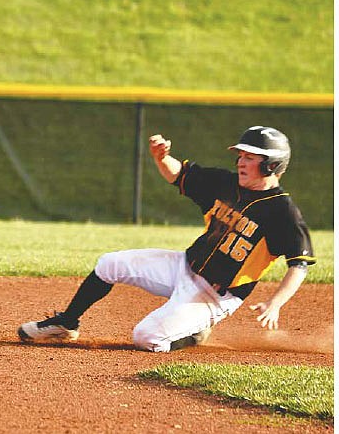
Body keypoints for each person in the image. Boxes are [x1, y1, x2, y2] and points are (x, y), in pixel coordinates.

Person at [18, 126, 315, 352]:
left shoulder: (283, 211)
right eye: (240, 155)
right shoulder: (225, 183)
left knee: (146, 337)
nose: (240, 162)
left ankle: (194, 334)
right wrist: (162, 158)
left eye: (249, 157)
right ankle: (66, 323)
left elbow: (299, 264)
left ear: (271, 166)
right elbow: (179, 175)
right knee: (109, 264)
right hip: (183, 265)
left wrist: (275, 303)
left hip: (215, 295)